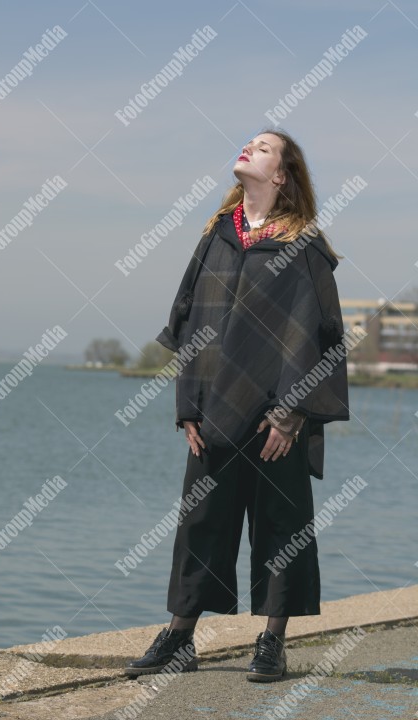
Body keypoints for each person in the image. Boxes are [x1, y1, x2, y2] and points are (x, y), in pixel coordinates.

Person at [124, 129, 349, 683]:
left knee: (281, 524)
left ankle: (271, 643)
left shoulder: (306, 247)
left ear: (281, 174)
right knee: (202, 522)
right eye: (249, 142)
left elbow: (322, 337)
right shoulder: (216, 237)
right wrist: (188, 407)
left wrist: (293, 412)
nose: (248, 148)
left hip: (278, 416)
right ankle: (179, 638)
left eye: (264, 147)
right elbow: (191, 320)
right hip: (216, 407)